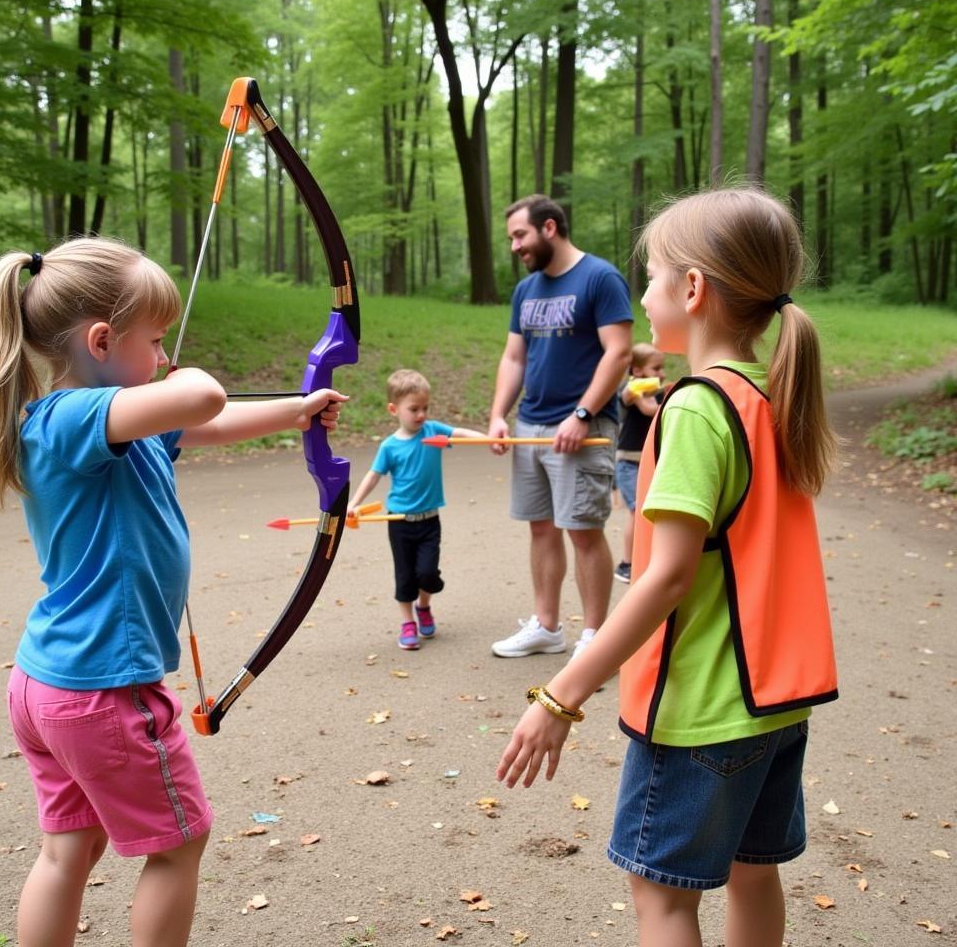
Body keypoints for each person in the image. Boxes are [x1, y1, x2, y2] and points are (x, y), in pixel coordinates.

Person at [0, 238, 346, 947]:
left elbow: (208, 421)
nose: (164, 357)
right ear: (101, 341)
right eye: (156, 341)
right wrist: (185, 378)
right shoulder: (70, 419)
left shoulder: (111, 425)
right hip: (105, 688)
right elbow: (201, 395)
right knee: (178, 844)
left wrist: (298, 408)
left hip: (51, 684)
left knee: (68, 850)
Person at [496, 188, 839, 947]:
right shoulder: (766, 392)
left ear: (693, 290)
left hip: (702, 712)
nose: (643, 294)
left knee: (660, 896)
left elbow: (667, 577)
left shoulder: (695, 408)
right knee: (754, 872)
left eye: (650, 276)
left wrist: (561, 696)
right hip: (774, 704)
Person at [488, 194, 633, 661]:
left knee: (584, 530)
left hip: (583, 429)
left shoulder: (600, 278)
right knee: (542, 529)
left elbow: (619, 353)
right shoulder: (526, 290)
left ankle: (595, 639)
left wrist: (583, 414)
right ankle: (547, 627)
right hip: (532, 423)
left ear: (549, 227)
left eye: (520, 235)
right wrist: (497, 415)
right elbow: (514, 357)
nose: (515, 246)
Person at [347, 369, 485, 650]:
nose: (421, 414)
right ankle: (408, 622)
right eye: (414, 409)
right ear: (393, 409)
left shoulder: (433, 432)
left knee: (428, 573)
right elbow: (373, 475)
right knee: (405, 575)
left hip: (430, 521)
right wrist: (355, 503)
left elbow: (459, 433)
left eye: (425, 408)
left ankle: (424, 606)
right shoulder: (389, 447)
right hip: (399, 522)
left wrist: (488, 439)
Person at [613, 343, 666, 584]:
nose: (661, 374)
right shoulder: (632, 391)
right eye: (656, 368)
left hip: (650, 462)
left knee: (651, 512)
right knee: (637, 512)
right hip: (629, 462)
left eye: (662, 368)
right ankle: (627, 563)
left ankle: (647, 559)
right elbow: (649, 410)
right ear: (637, 370)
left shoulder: (658, 392)